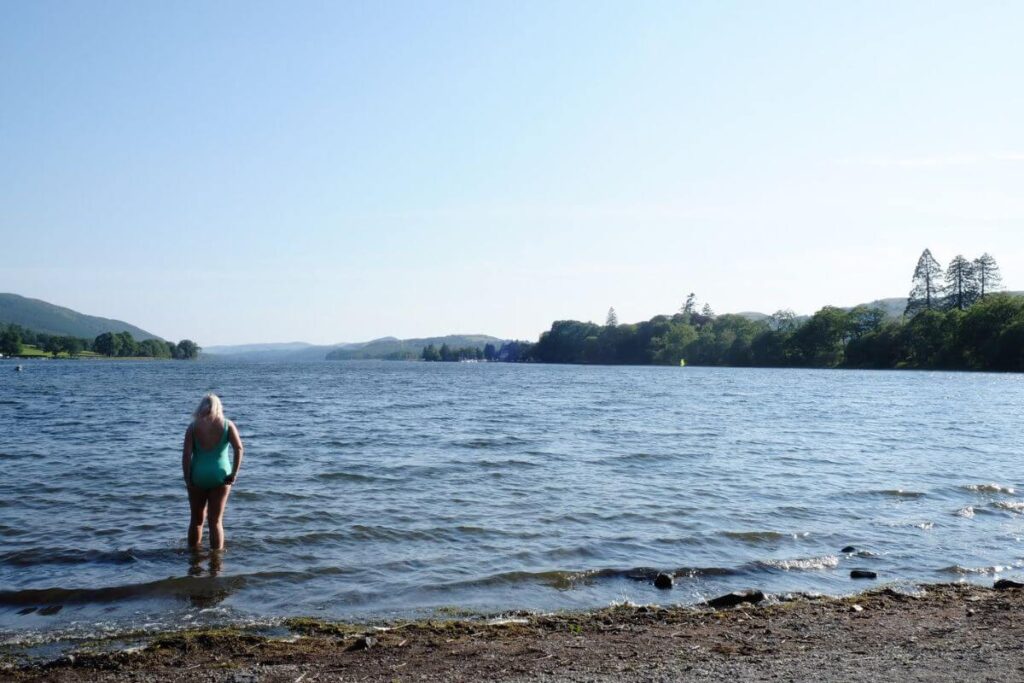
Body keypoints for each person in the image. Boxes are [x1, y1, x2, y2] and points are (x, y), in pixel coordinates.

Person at [182, 393, 244, 550]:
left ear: (200, 407)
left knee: (196, 520)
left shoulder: (193, 427)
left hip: (198, 475)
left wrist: (187, 478)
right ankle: (216, 562)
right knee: (215, 521)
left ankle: (193, 558)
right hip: (221, 475)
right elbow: (239, 448)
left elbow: (186, 454)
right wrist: (234, 473)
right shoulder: (227, 425)